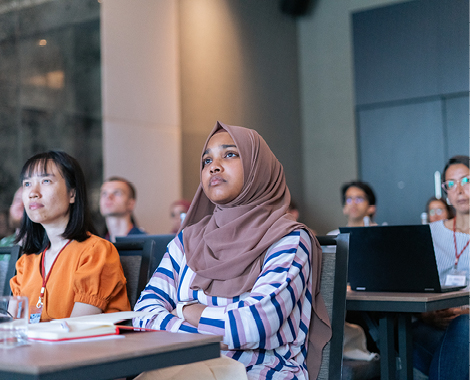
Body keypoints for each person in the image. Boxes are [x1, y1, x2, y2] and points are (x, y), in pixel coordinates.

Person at [133, 121, 331, 380]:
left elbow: (254, 326)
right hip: (185, 364)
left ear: (257, 167)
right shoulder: (188, 240)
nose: (213, 166)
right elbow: (143, 314)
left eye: (230, 154)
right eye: (206, 160)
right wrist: (214, 337)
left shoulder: (288, 238)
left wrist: (182, 310)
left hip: (259, 372)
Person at [10, 151, 130, 323]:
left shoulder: (96, 251)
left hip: (86, 348)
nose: (32, 193)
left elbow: (74, 330)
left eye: (46, 181)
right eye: (27, 184)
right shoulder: (26, 262)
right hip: (36, 347)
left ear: (72, 194)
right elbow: (12, 327)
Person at [412, 155, 470, 380]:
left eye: (465, 181)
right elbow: (411, 284)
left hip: (466, 323)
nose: (459, 190)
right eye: (451, 184)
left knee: (464, 327)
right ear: (446, 193)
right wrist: (427, 313)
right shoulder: (430, 233)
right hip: (431, 323)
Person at [100, 176, 146, 242]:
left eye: (117, 193)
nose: (108, 197)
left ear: (131, 203)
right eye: (104, 193)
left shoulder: (145, 242)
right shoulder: (96, 245)